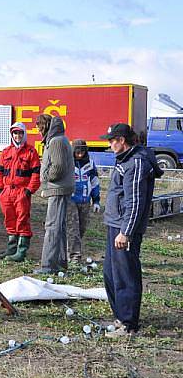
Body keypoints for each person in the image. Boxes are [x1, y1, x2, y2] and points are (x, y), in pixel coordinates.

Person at [101, 123, 162, 338]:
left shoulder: (135, 163)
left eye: (111, 140)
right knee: (111, 273)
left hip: (123, 228)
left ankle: (128, 325)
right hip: (114, 223)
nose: (109, 145)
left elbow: (135, 201)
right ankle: (120, 317)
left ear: (122, 140)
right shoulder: (126, 160)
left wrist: (125, 232)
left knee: (125, 275)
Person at [0, 122, 41, 262]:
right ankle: (11, 249)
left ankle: (21, 251)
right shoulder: (6, 152)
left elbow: (36, 174)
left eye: (20, 133)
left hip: (22, 192)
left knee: (22, 220)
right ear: (12, 135)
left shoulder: (31, 152)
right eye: (15, 133)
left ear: (24, 134)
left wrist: (28, 191)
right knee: (9, 219)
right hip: (7, 192)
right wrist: (0, 189)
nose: (18, 136)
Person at [35, 114, 75, 275]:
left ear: (45, 126)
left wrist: (45, 177)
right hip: (61, 189)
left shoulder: (56, 141)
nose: (38, 130)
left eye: (39, 126)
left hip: (58, 189)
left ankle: (48, 266)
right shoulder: (59, 139)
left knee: (52, 227)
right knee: (59, 227)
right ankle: (59, 263)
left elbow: (58, 167)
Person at [66, 139, 101, 263]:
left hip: (85, 200)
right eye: (77, 152)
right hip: (71, 200)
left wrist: (96, 200)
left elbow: (95, 182)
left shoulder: (90, 164)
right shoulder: (68, 164)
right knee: (73, 228)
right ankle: (75, 255)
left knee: (81, 228)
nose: (79, 154)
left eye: (82, 152)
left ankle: (70, 249)